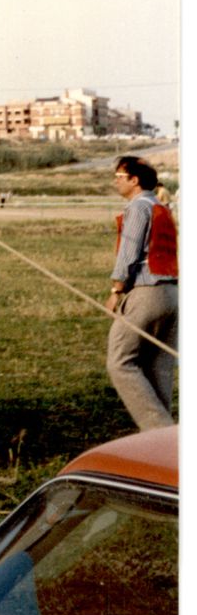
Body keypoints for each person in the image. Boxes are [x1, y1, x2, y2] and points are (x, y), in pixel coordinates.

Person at [106, 156, 178, 431]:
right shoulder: (161, 206)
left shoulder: (137, 207)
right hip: (172, 294)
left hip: (147, 292)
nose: (116, 181)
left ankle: (160, 433)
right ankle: (167, 442)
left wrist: (117, 289)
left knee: (120, 363)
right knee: (158, 367)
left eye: (119, 176)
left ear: (134, 181)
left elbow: (129, 250)